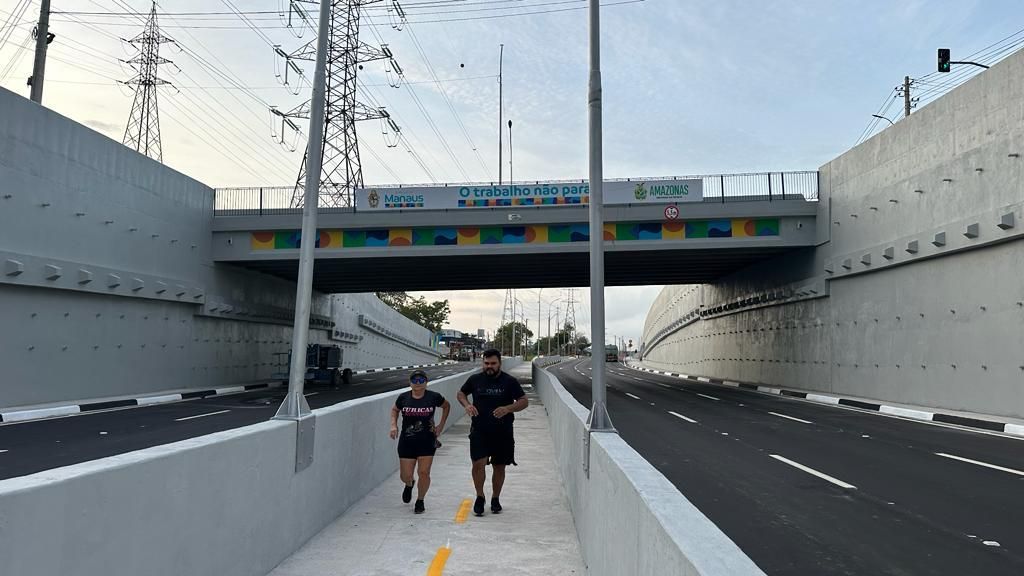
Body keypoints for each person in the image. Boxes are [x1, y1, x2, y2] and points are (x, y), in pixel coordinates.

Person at [456, 348, 527, 516]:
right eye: (486, 363)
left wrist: (508, 408)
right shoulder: (475, 380)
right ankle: (480, 496)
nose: (489, 366)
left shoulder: (509, 382)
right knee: (478, 465)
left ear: (499, 364)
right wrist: (467, 405)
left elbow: (524, 401)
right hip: (479, 430)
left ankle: (495, 498)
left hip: (503, 432)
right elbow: (461, 393)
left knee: (499, 467)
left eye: (493, 363)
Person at [390, 370, 450, 514]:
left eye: (421, 380)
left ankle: (420, 500)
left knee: (424, 472)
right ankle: (409, 484)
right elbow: (394, 410)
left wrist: (441, 425)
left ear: (426, 382)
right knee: (405, 476)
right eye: (414, 380)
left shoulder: (434, 397)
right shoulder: (403, 398)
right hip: (407, 441)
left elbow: (446, 406)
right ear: (410, 383)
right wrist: (393, 424)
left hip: (427, 441)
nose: (418, 383)